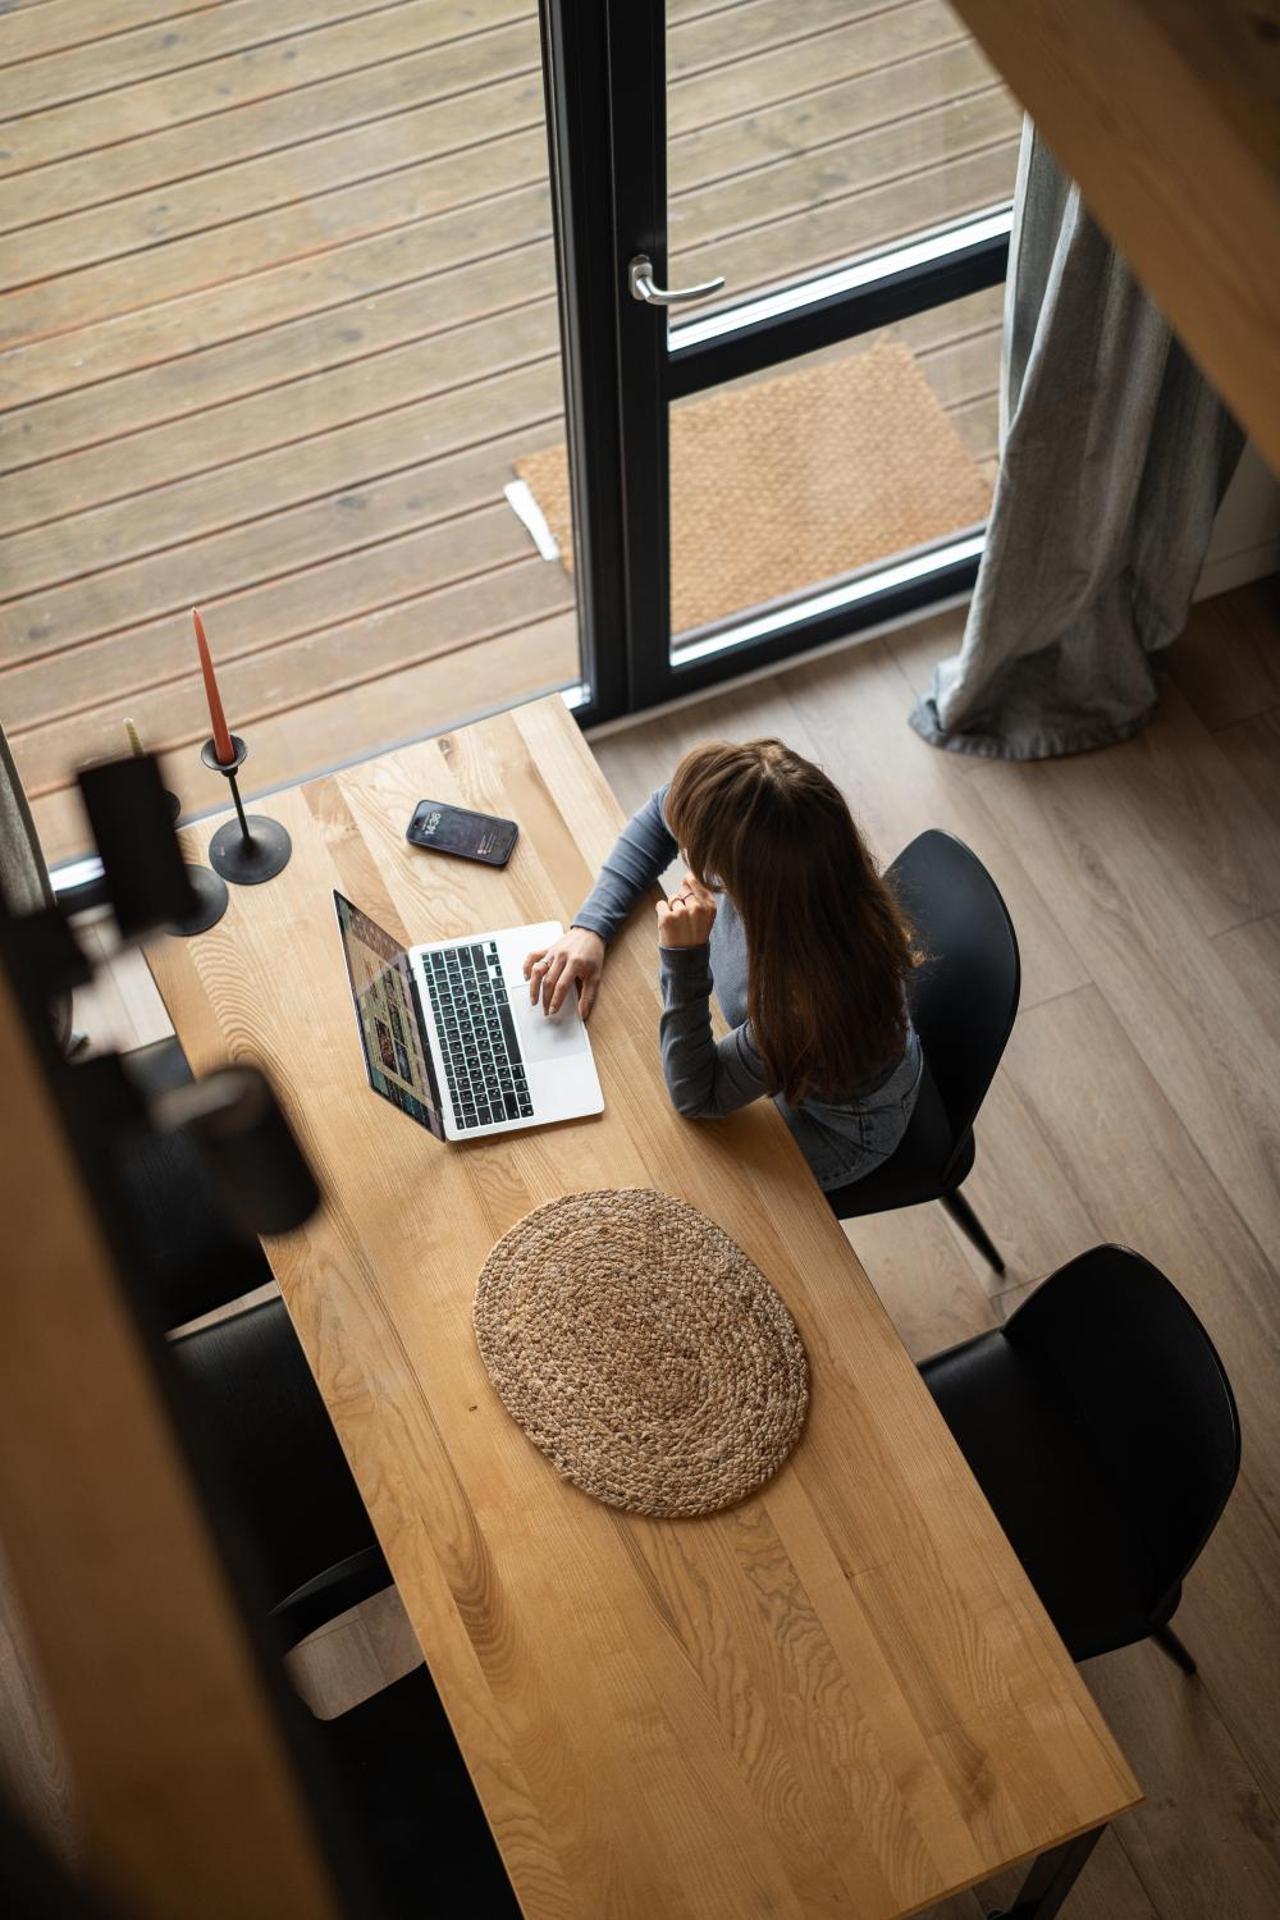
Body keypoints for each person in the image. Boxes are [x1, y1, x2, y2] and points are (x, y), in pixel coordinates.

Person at [523, 738, 924, 1192]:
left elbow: (698, 1095)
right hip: (790, 1055)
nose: (689, 856)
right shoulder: (793, 846)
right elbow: (662, 814)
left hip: (840, 1129)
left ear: (747, 879)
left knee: (677, 1178)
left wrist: (683, 956)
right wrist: (590, 928)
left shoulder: (802, 1000)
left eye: (701, 857)